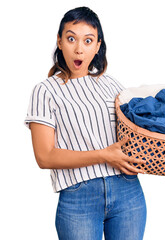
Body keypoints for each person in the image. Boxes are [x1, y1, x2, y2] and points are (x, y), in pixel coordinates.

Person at [24, 6, 147, 240]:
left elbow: (133, 133)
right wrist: (104, 155)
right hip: (79, 197)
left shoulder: (111, 85)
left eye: (88, 41)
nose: (79, 49)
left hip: (128, 191)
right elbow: (44, 156)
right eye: (71, 39)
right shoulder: (45, 91)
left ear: (98, 45)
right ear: (59, 42)